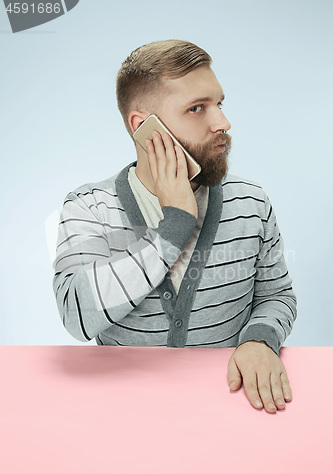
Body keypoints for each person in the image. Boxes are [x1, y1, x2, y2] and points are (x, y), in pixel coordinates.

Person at [53, 40, 297, 414]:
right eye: (196, 108)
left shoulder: (250, 201)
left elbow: (276, 296)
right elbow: (77, 316)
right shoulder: (89, 208)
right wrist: (174, 226)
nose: (222, 123)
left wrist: (259, 341)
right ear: (144, 128)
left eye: (219, 104)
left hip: (230, 411)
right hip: (121, 416)